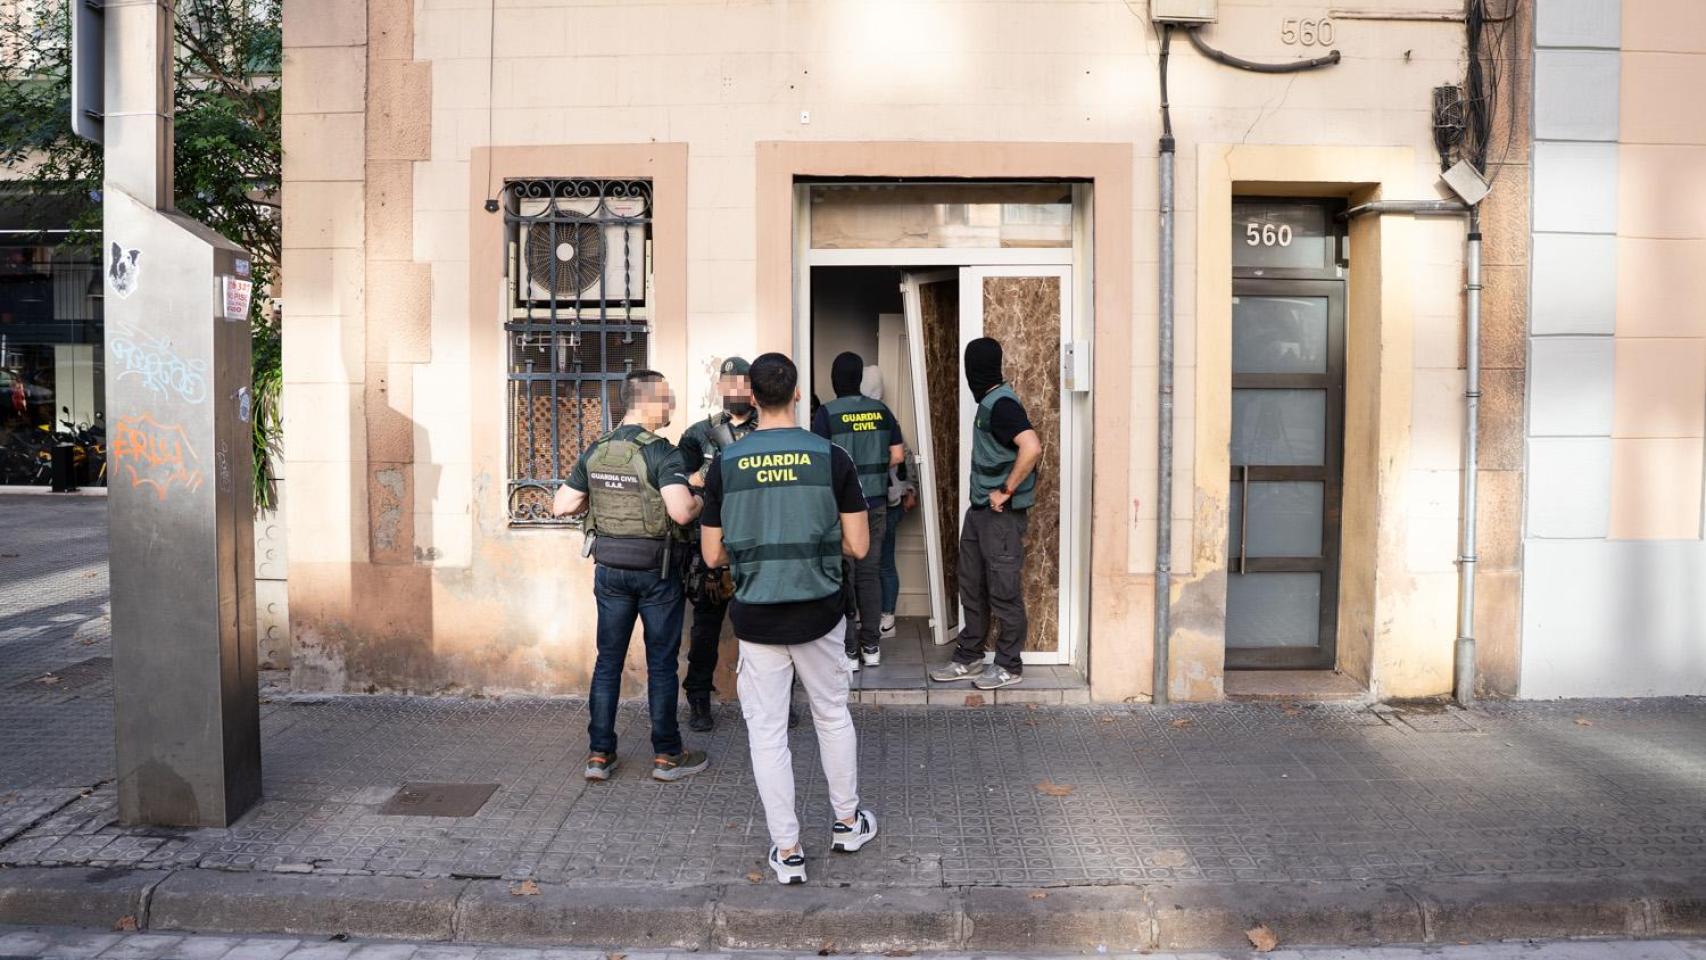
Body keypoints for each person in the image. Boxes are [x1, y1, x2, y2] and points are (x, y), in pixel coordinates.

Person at [700, 352, 878, 885]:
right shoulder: (832, 457)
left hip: (757, 618)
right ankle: (847, 823)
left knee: (768, 734)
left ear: (752, 397)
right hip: (820, 614)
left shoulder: (726, 465)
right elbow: (859, 545)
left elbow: (712, 555)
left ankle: (789, 850)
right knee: (831, 716)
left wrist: (757, 550)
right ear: (797, 393)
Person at [552, 370, 709, 783]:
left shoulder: (597, 449)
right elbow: (679, 512)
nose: (671, 406)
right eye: (667, 398)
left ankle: (600, 755)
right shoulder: (662, 453)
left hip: (610, 571)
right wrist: (697, 497)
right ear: (649, 401)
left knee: (608, 661)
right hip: (657, 572)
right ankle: (667, 755)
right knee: (660, 664)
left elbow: (562, 504)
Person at [929, 338, 1042, 691]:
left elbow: (1032, 446)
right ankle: (970, 656)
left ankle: (1009, 665)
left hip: (1001, 517)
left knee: (1003, 590)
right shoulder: (990, 403)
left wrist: (1006, 491)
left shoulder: (1003, 404)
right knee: (972, 587)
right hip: (979, 513)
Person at [676, 356, 758, 732]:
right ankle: (698, 699)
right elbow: (683, 484)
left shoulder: (767, 430)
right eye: (729, 385)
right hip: (710, 548)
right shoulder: (698, 434)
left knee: (763, 626)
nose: (735, 392)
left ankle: (776, 699)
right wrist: (717, 468)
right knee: (706, 630)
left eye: (742, 384)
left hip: (754, 546)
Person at [811, 352, 904, 668]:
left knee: (843, 577)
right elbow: (897, 455)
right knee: (870, 574)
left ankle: (848, 651)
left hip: (840, 508)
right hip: (876, 504)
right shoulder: (881, 411)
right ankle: (871, 648)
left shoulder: (826, 414)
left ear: (835, 380)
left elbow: (818, 460)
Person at [861, 365, 917, 641]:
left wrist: (910, 488)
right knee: (881, 562)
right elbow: (905, 454)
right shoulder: (887, 417)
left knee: (872, 563)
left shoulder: (874, 418)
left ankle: (881, 618)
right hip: (890, 500)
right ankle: (884, 617)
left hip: (880, 501)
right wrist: (911, 488)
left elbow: (902, 457)